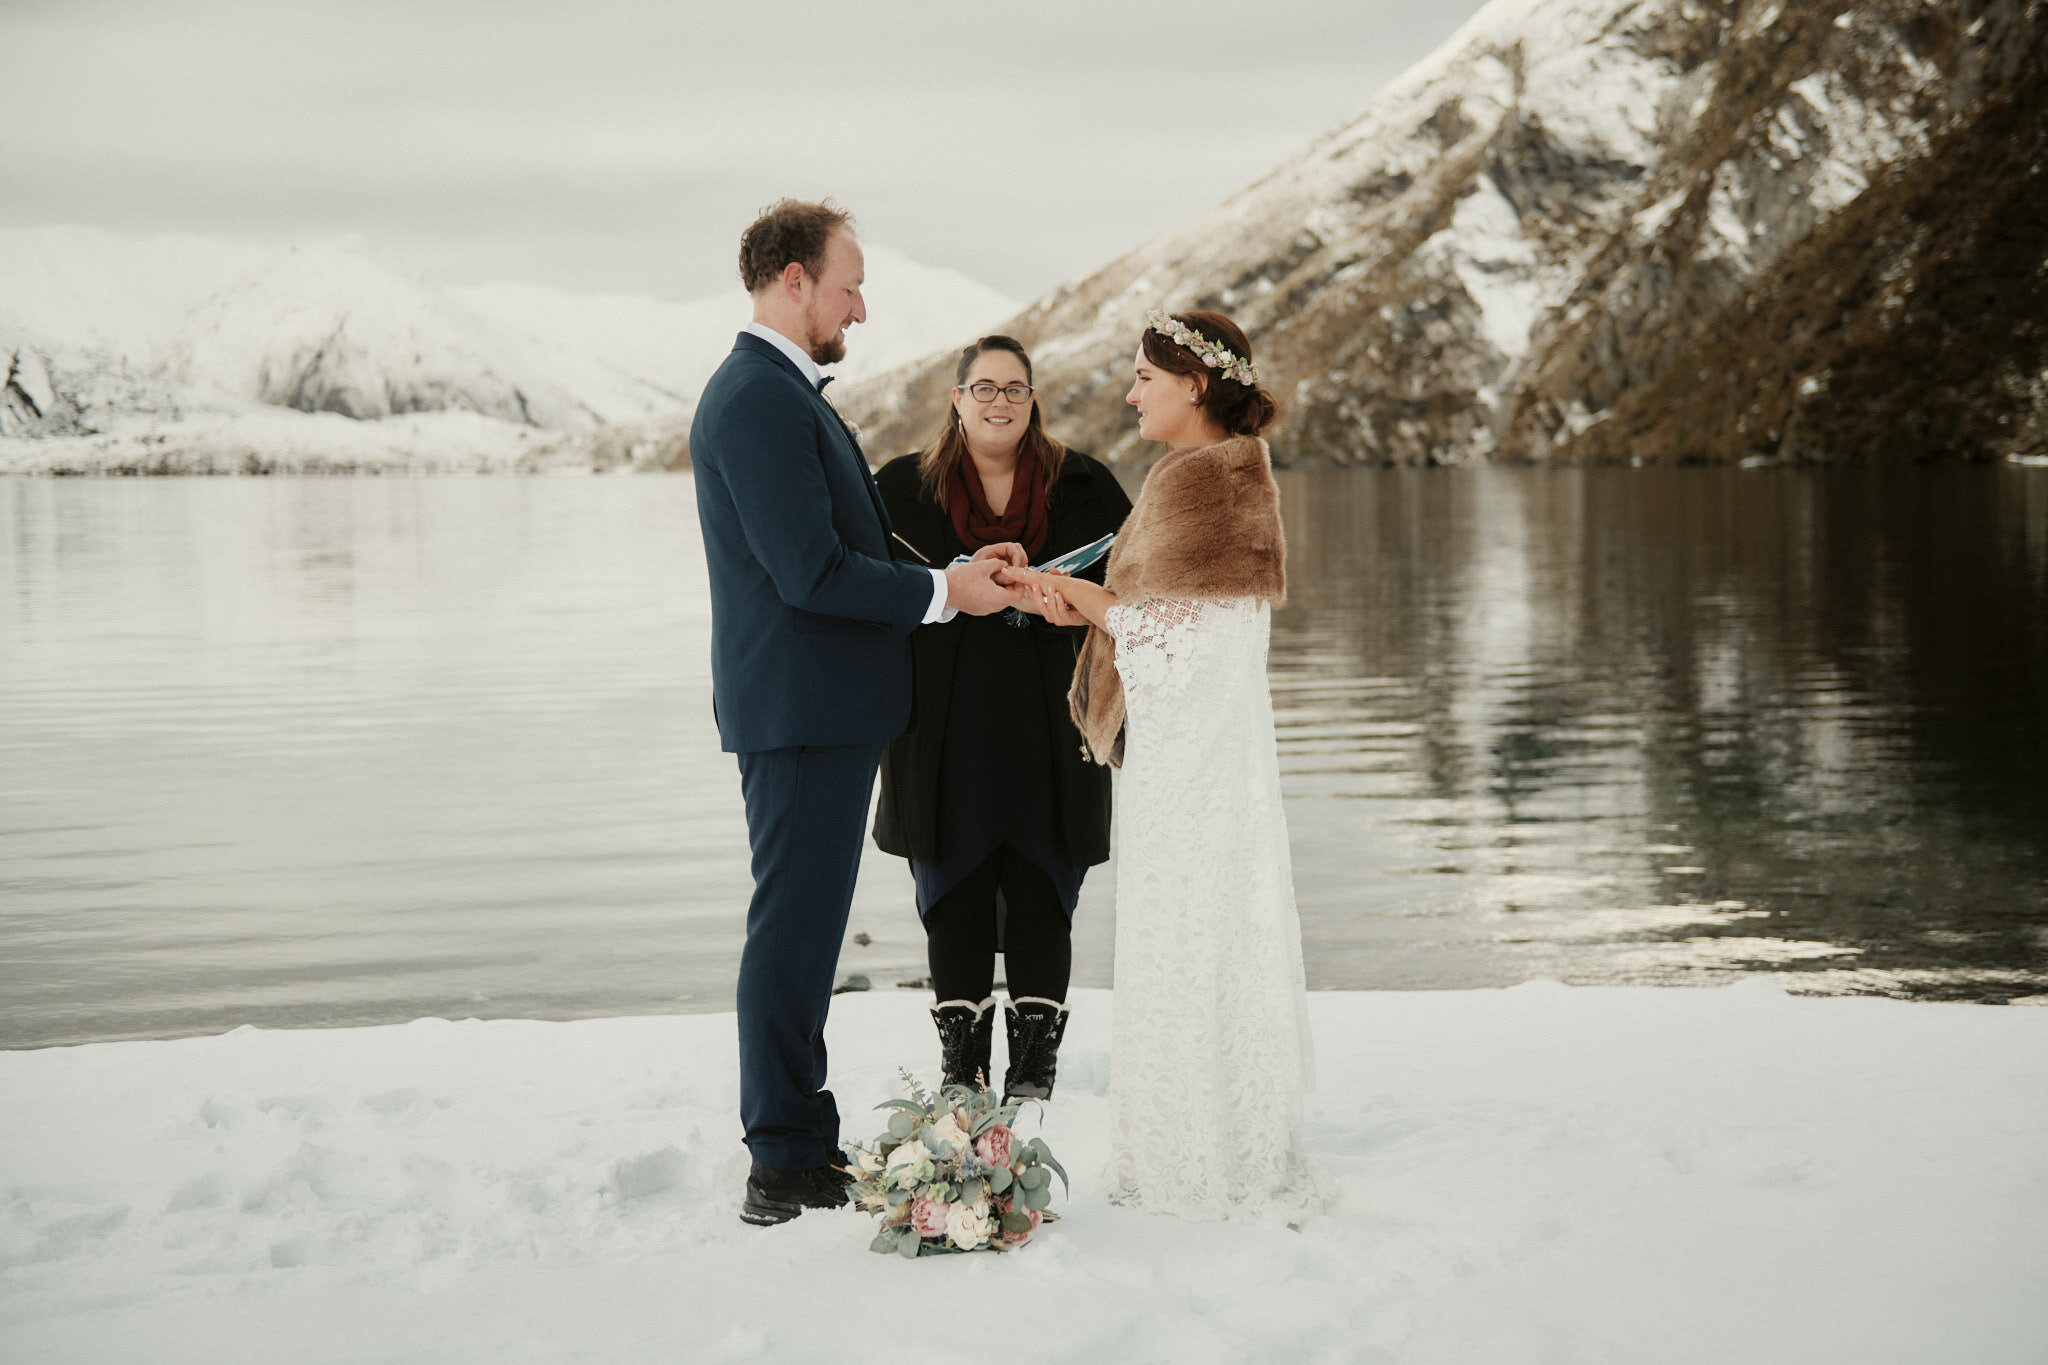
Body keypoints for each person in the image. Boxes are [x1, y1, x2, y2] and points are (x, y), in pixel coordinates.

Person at [688, 199, 1024, 1227]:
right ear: (792, 280)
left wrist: (955, 573)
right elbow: (809, 573)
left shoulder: (783, 395)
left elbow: (849, 548)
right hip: (799, 712)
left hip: (817, 707)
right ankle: (781, 1162)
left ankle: (799, 1141)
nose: (861, 306)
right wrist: (940, 598)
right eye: (848, 284)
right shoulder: (755, 400)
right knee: (790, 935)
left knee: (804, 932)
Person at [1001, 309, 1317, 1220]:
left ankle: (1202, 1152)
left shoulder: (1203, 484)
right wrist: (1083, 606)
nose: (1131, 391)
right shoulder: (1205, 474)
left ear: (1195, 384)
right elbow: (1169, 616)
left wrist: (1083, 600)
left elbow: (1185, 651)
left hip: (1194, 766)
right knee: (1189, 931)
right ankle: (1199, 1135)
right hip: (1194, 759)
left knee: (1191, 931)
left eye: (1145, 375)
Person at [870, 336, 1133, 1101]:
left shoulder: (1083, 484)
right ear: (956, 399)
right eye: (983, 387)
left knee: (1046, 886)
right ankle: (963, 1067)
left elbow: (1132, 589)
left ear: (1032, 400)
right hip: (942, 724)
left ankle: (1035, 1066)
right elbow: (868, 591)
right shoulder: (900, 489)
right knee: (950, 889)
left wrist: (1067, 604)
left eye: (1015, 389)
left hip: (1053, 719)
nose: (999, 402)